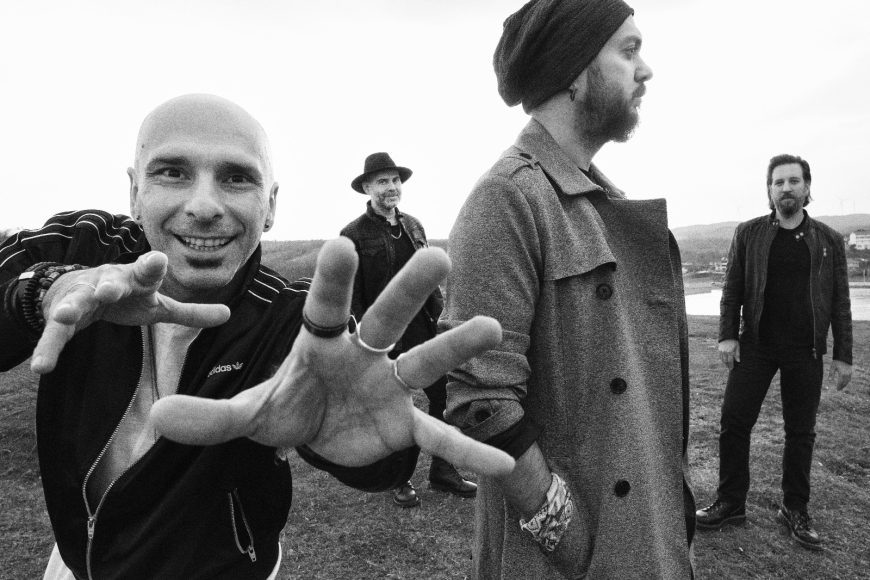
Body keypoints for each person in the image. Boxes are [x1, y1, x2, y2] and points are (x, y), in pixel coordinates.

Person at [0, 94, 513, 579]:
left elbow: (369, 443)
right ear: (134, 190)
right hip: (72, 565)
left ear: (270, 206)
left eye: (236, 178)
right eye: (173, 172)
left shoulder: (288, 318)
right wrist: (41, 294)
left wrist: (373, 449)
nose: (203, 205)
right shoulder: (80, 244)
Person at [437, 1, 695, 577]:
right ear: (575, 73)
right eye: (628, 51)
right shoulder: (508, 199)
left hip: (642, 534)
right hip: (570, 558)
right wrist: (568, 535)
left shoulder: (597, 199)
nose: (646, 70)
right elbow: (483, 402)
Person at [696, 154, 852, 550]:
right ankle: (731, 502)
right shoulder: (748, 234)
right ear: (769, 190)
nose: (786, 188)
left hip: (806, 350)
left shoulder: (829, 241)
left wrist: (843, 355)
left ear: (807, 188)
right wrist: (727, 335)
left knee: (801, 432)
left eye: (793, 181)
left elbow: (840, 302)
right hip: (757, 346)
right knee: (734, 422)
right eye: (778, 182)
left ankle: (795, 508)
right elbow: (732, 290)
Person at [340, 152, 477, 507]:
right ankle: (398, 479)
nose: (391, 187)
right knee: (394, 409)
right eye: (383, 181)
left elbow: (430, 281)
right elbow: (350, 294)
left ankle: (443, 471)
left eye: (395, 180)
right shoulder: (353, 234)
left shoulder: (414, 226)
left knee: (445, 397)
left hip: (422, 330)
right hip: (382, 336)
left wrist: (445, 315)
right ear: (367, 187)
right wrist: (358, 338)